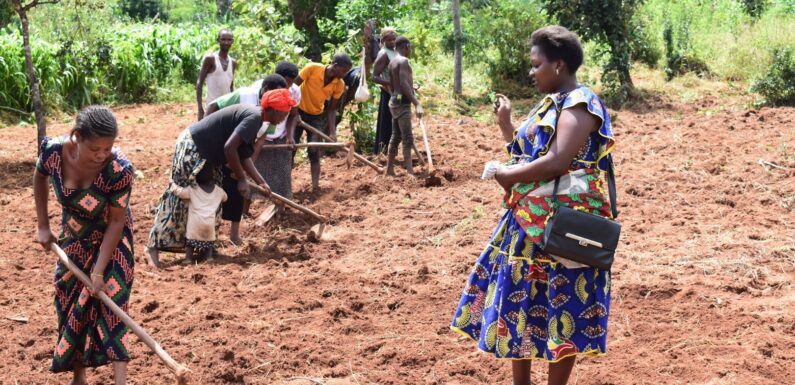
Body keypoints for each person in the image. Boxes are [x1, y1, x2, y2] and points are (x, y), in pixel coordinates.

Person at [449, 26, 616, 385]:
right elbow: (531, 157)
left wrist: (509, 176)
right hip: (527, 225)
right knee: (519, 303)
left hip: (566, 227)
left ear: (558, 65)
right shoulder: (550, 104)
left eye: (536, 64)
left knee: (566, 301)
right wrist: (507, 126)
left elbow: (557, 162)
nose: (531, 71)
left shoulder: (582, 103)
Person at [33, 106, 135, 385]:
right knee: (69, 302)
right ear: (77, 136)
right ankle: (79, 377)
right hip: (74, 237)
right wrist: (44, 225)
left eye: (108, 148)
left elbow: (116, 222)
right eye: (95, 149)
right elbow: (39, 177)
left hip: (113, 241)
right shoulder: (53, 152)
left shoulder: (119, 170)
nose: (102, 155)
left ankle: (120, 381)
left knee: (113, 304)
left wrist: (99, 272)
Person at [146, 89, 297, 267]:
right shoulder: (253, 118)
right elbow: (229, 148)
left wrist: (260, 181)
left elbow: (242, 153)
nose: (285, 116)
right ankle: (153, 248)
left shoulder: (256, 119)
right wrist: (241, 178)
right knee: (181, 198)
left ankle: (205, 247)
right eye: (285, 111)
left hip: (208, 154)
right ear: (273, 109)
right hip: (193, 147)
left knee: (212, 200)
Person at [293, 53, 353, 192]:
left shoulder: (339, 84)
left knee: (314, 151)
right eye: (344, 71)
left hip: (315, 116)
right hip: (297, 111)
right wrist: (294, 113)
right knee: (291, 147)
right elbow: (293, 88)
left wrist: (332, 132)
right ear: (335, 66)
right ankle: (286, 185)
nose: (345, 74)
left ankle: (315, 187)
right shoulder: (312, 68)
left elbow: (332, 109)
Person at [170, 165, 227, 265]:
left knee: (190, 242)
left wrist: (172, 184)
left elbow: (180, 192)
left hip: (195, 223)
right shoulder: (218, 191)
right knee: (209, 242)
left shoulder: (193, 189)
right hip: (209, 223)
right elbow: (225, 198)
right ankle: (209, 258)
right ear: (212, 177)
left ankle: (188, 259)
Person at [386, 36, 423, 176]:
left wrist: (407, 90)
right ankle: (410, 172)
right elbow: (403, 83)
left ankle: (389, 169)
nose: (410, 50)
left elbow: (395, 84)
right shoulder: (404, 61)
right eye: (410, 48)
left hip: (394, 101)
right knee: (407, 138)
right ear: (406, 47)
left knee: (395, 136)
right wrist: (417, 103)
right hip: (403, 105)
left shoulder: (392, 62)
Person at [196, 29, 236, 120]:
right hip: (212, 106)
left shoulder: (233, 62)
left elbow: (231, 85)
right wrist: (200, 108)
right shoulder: (210, 59)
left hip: (227, 106)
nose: (226, 42)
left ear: (232, 41)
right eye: (223, 39)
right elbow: (199, 82)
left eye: (229, 40)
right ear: (218, 40)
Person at [371, 27, 398, 154]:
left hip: (397, 92)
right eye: (389, 40)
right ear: (384, 40)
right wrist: (390, 83)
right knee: (386, 123)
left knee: (396, 123)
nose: (392, 41)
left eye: (394, 39)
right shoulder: (383, 54)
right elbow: (374, 77)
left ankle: (392, 151)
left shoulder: (396, 51)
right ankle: (382, 152)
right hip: (388, 92)